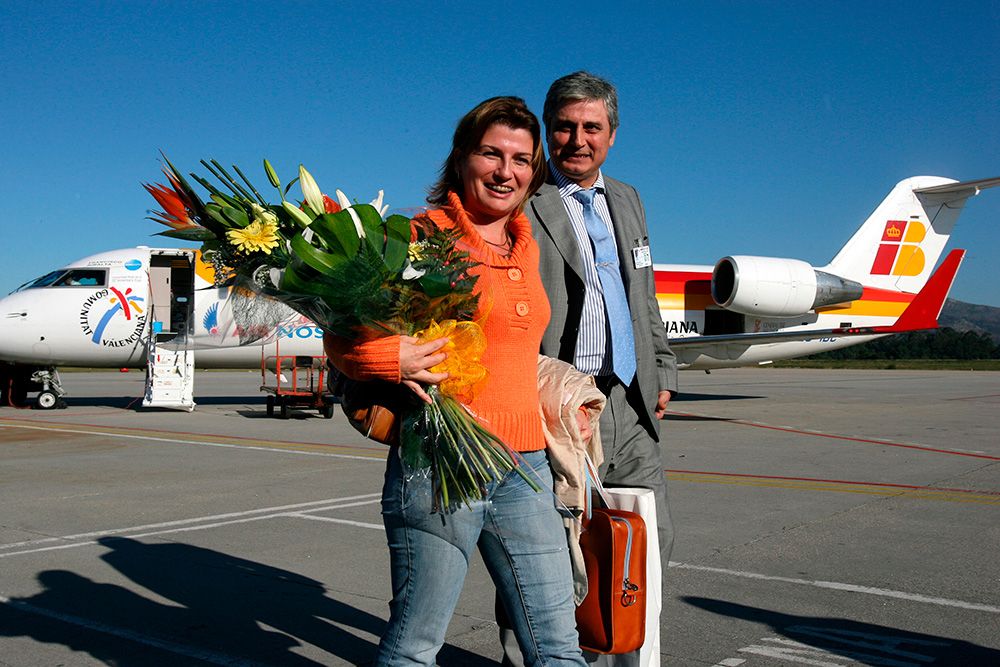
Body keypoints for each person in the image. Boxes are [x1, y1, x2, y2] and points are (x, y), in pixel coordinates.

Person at [325, 96, 586, 667]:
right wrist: (395, 358)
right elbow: (342, 338)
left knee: (558, 644)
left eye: (520, 159)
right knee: (417, 646)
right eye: (491, 154)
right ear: (462, 158)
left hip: (527, 464)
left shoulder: (526, 243)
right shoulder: (422, 234)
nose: (505, 171)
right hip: (441, 461)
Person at [527, 70, 678, 570]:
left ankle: (636, 651)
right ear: (548, 130)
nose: (578, 140)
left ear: (611, 134)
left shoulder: (628, 198)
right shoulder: (525, 199)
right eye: (565, 126)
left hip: (631, 400)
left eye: (592, 127)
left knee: (647, 548)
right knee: (555, 558)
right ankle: (529, 653)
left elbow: (644, 292)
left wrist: (662, 368)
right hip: (562, 401)